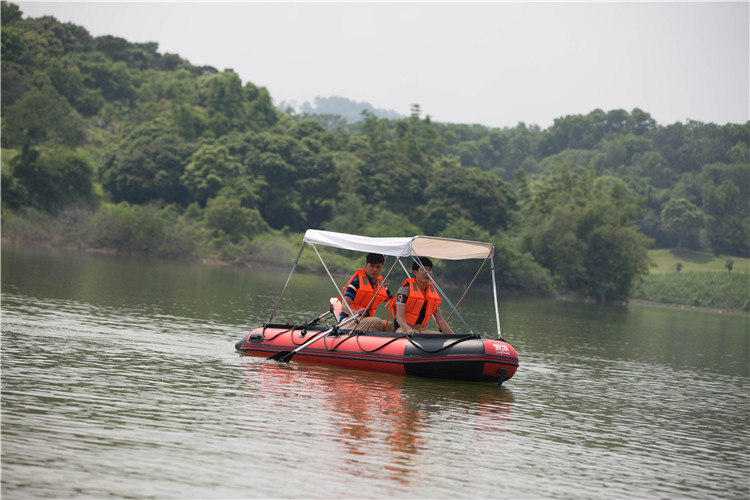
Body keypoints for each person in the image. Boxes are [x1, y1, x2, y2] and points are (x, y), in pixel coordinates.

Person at [390, 257, 454, 334]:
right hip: (403, 328)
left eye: (430, 270)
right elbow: (399, 317)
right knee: (412, 334)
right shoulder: (405, 290)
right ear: (415, 272)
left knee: (438, 336)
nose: (427, 272)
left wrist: (453, 336)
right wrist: (408, 329)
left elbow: (440, 320)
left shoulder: (433, 294)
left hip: (422, 329)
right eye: (424, 269)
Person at [337, 253, 394, 332]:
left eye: (378, 267)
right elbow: (344, 307)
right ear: (366, 266)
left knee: (389, 325)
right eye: (372, 266)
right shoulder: (356, 283)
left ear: (381, 268)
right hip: (348, 320)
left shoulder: (382, 286)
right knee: (376, 322)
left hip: (366, 321)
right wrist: (356, 312)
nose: (375, 270)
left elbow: (393, 302)